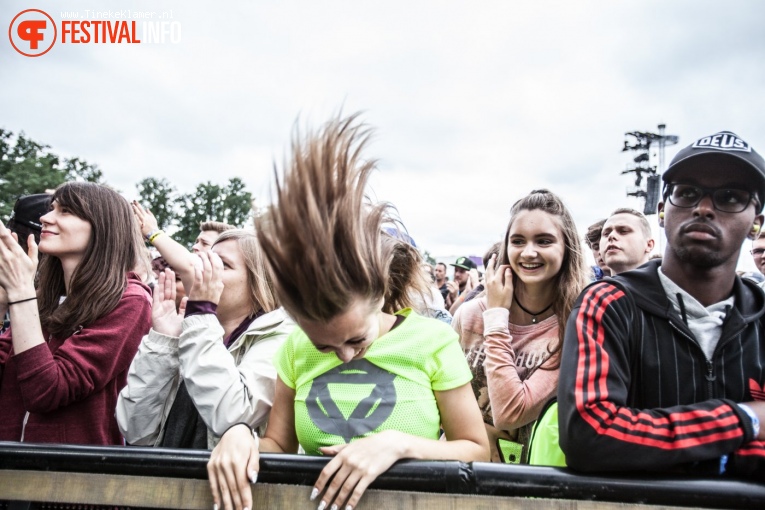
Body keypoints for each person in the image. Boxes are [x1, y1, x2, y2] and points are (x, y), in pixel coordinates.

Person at [207, 114, 489, 510]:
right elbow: (279, 445)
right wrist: (240, 437)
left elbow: (477, 450)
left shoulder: (434, 340)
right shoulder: (291, 348)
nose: (343, 354)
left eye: (356, 338)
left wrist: (398, 445)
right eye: (323, 346)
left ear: (379, 294)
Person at [559, 130, 765, 478]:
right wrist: (745, 419)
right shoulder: (609, 303)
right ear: (661, 211)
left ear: (756, 225)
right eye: (687, 193)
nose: (703, 208)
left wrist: (654, 446)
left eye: (730, 198)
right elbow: (590, 435)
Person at [0, 182, 152, 445]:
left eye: (65, 211)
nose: (45, 218)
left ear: (102, 227)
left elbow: (46, 392)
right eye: (51, 209)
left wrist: (21, 294)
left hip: (71, 475)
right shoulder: (41, 295)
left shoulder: (130, 300)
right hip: (10, 465)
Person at [117, 229, 294, 448]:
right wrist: (164, 340)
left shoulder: (281, 337)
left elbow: (232, 418)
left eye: (222, 265)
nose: (202, 270)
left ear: (259, 281)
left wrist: (201, 314)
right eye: (204, 260)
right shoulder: (195, 330)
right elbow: (135, 430)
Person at [452, 190, 587, 463]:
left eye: (544, 241)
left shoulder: (574, 325)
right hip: (462, 472)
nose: (528, 252)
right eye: (518, 241)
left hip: (530, 478)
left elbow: (511, 412)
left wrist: (497, 316)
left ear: (566, 248)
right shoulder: (469, 316)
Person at [600, 208, 655, 274]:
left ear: (649, 245)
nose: (611, 236)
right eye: (606, 234)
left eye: (623, 231)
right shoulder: (596, 284)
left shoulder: (667, 282)